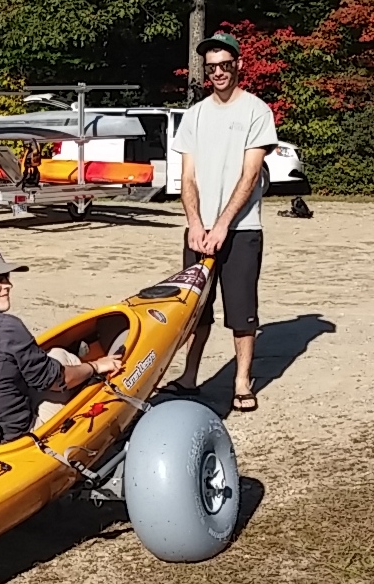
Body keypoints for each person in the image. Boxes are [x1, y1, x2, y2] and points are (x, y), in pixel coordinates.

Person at [165, 31, 279, 412]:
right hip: (200, 232)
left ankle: (242, 382)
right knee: (195, 309)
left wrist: (223, 224)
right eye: (211, 67)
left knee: (242, 312)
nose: (217, 73)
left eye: (224, 65)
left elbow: (249, 176)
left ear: (238, 65)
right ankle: (189, 377)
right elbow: (188, 177)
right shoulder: (195, 115)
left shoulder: (256, 111)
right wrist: (195, 224)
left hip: (240, 231)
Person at [0, 242, 123, 444]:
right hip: (8, 443)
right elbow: (59, 380)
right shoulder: (7, 328)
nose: (8, 285)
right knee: (60, 355)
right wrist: (95, 366)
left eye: (6, 277)